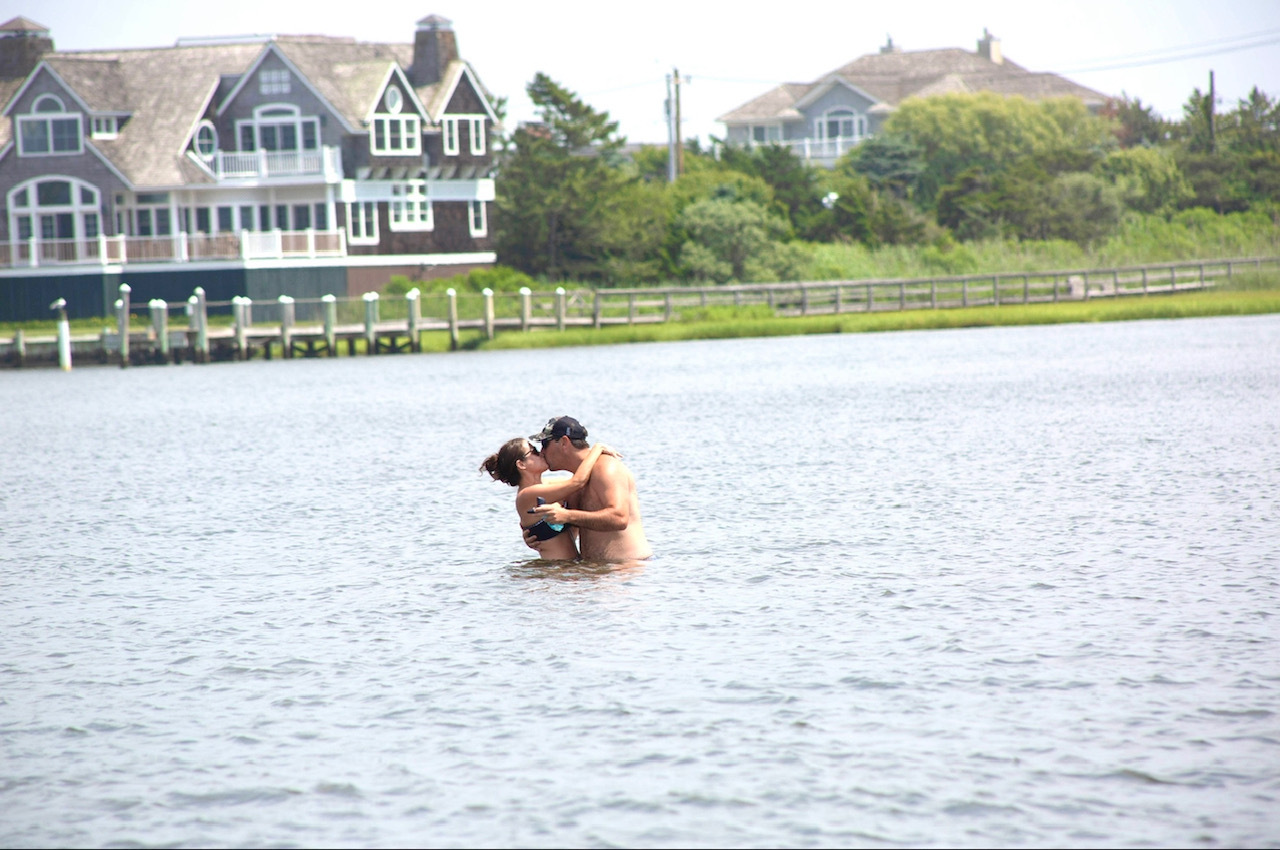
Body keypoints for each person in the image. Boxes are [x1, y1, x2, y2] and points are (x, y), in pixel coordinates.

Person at [524, 416, 652, 562]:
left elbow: (619, 518)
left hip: (626, 569)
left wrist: (567, 515)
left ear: (564, 442)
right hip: (592, 570)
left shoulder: (607, 468)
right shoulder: (575, 483)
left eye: (545, 444)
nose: (542, 452)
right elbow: (571, 527)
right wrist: (538, 535)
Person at [480, 436, 614, 561]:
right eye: (534, 451)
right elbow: (577, 482)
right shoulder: (527, 494)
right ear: (521, 465)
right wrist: (596, 449)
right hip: (554, 570)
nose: (541, 453)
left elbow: (582, 481)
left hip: (568, 568)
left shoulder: (546, 486)